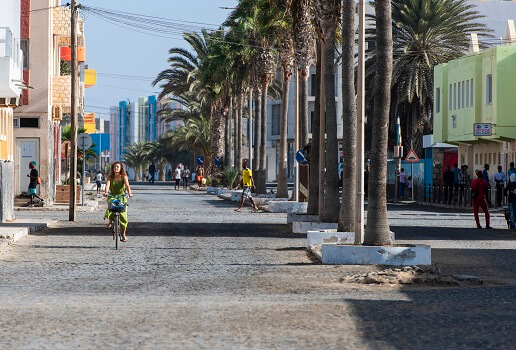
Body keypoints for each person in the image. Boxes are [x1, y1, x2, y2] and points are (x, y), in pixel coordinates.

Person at [103, 161, 133, 242]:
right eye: (115, 167)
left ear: (120, 169)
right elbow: (107, 186)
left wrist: (130, 193)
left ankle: (123, 234)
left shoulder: (124, 176)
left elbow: (127, 185)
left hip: (122, 197)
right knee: (111, 207)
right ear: (112, 168)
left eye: (118, 167)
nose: (116, 168)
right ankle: (110, 222)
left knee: (123, 216)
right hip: (112, 196)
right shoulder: (110, 177)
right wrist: (105, 192)